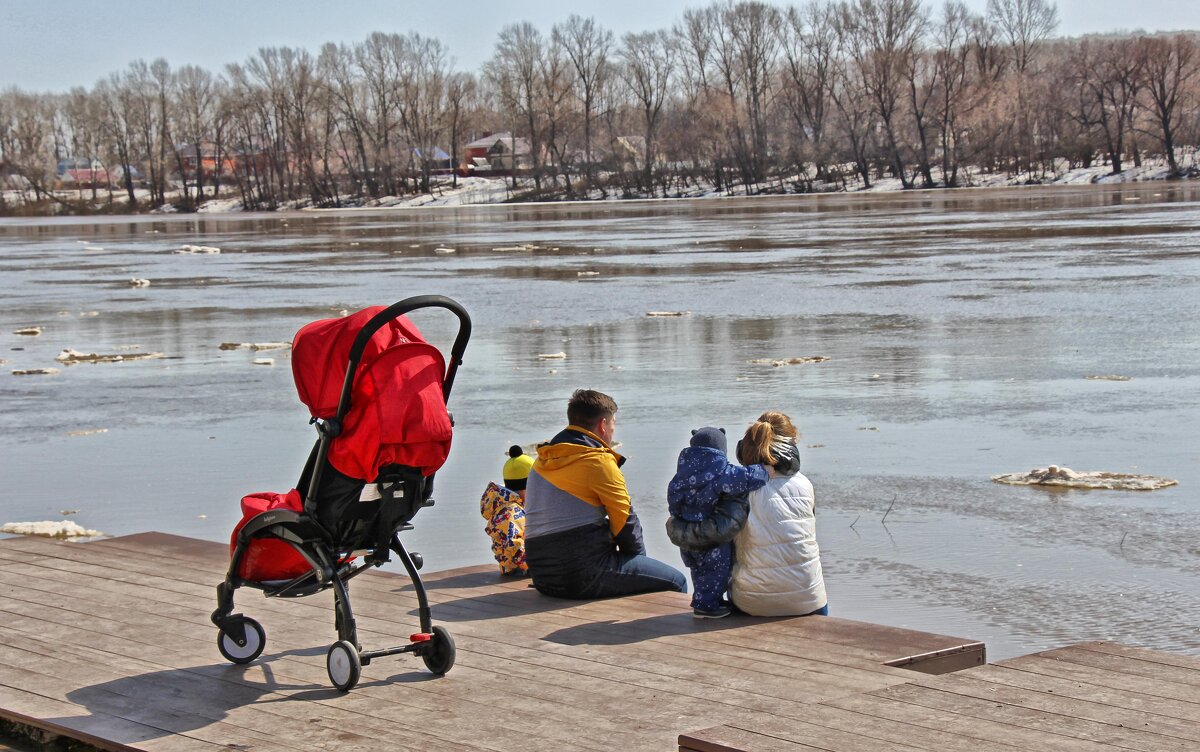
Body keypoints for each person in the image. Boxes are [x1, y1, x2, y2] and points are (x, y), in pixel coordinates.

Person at [523, 389, 687, 599]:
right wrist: (638, 563)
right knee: (675, 581)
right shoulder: (598, 462)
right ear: (602, 425)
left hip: (542, 576)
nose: (612, 431)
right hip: (579, 575)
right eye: (612, 424)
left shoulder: (542, 460)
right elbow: (626, 522)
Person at [728, 412, 827, 616]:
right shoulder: (805, 485)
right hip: (810, 600)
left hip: (751, 601)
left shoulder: (738, 488)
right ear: (791, 447)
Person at [666, 426, 770, 618]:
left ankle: (703, 599)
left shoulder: (680, 477)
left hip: (687, 536)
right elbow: (747, 478)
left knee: (698, 571)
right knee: (717, 571)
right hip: (710, 535)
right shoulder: (720, 472)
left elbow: (673, 505)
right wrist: (762, 469)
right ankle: (707, 606)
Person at [478, 446, 534, 577]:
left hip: (518, 567)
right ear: (527, 486)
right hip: (518, 570)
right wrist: (538, 565)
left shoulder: (510, 504)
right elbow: (513, 546)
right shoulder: (511, 512)